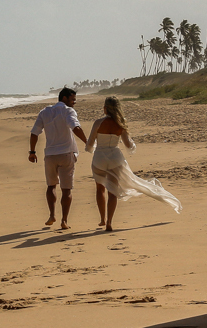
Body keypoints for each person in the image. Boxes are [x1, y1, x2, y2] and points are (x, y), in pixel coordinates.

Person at [85, 96, 181, 231]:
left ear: (105, 108)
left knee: (100, 188)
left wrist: (94, 148)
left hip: (100, 157)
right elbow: (129, 146)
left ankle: (102, 219)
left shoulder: (98, 123)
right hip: (115, 158)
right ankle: (109, 222)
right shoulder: (120, 124)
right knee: (112, 191)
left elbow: (90, 144)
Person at [29, 88, 88, 230]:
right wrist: (88, 142)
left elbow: (34, 133)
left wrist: (32, 151)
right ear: (64, 98)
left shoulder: (44, 112)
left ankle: (51, 215)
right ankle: (64, 220)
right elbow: (75, 127)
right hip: (66, 153)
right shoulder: (68, 111)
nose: (74, 102)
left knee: (51, 186)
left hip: (50, 155)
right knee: (66, 189)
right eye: (72, 99)